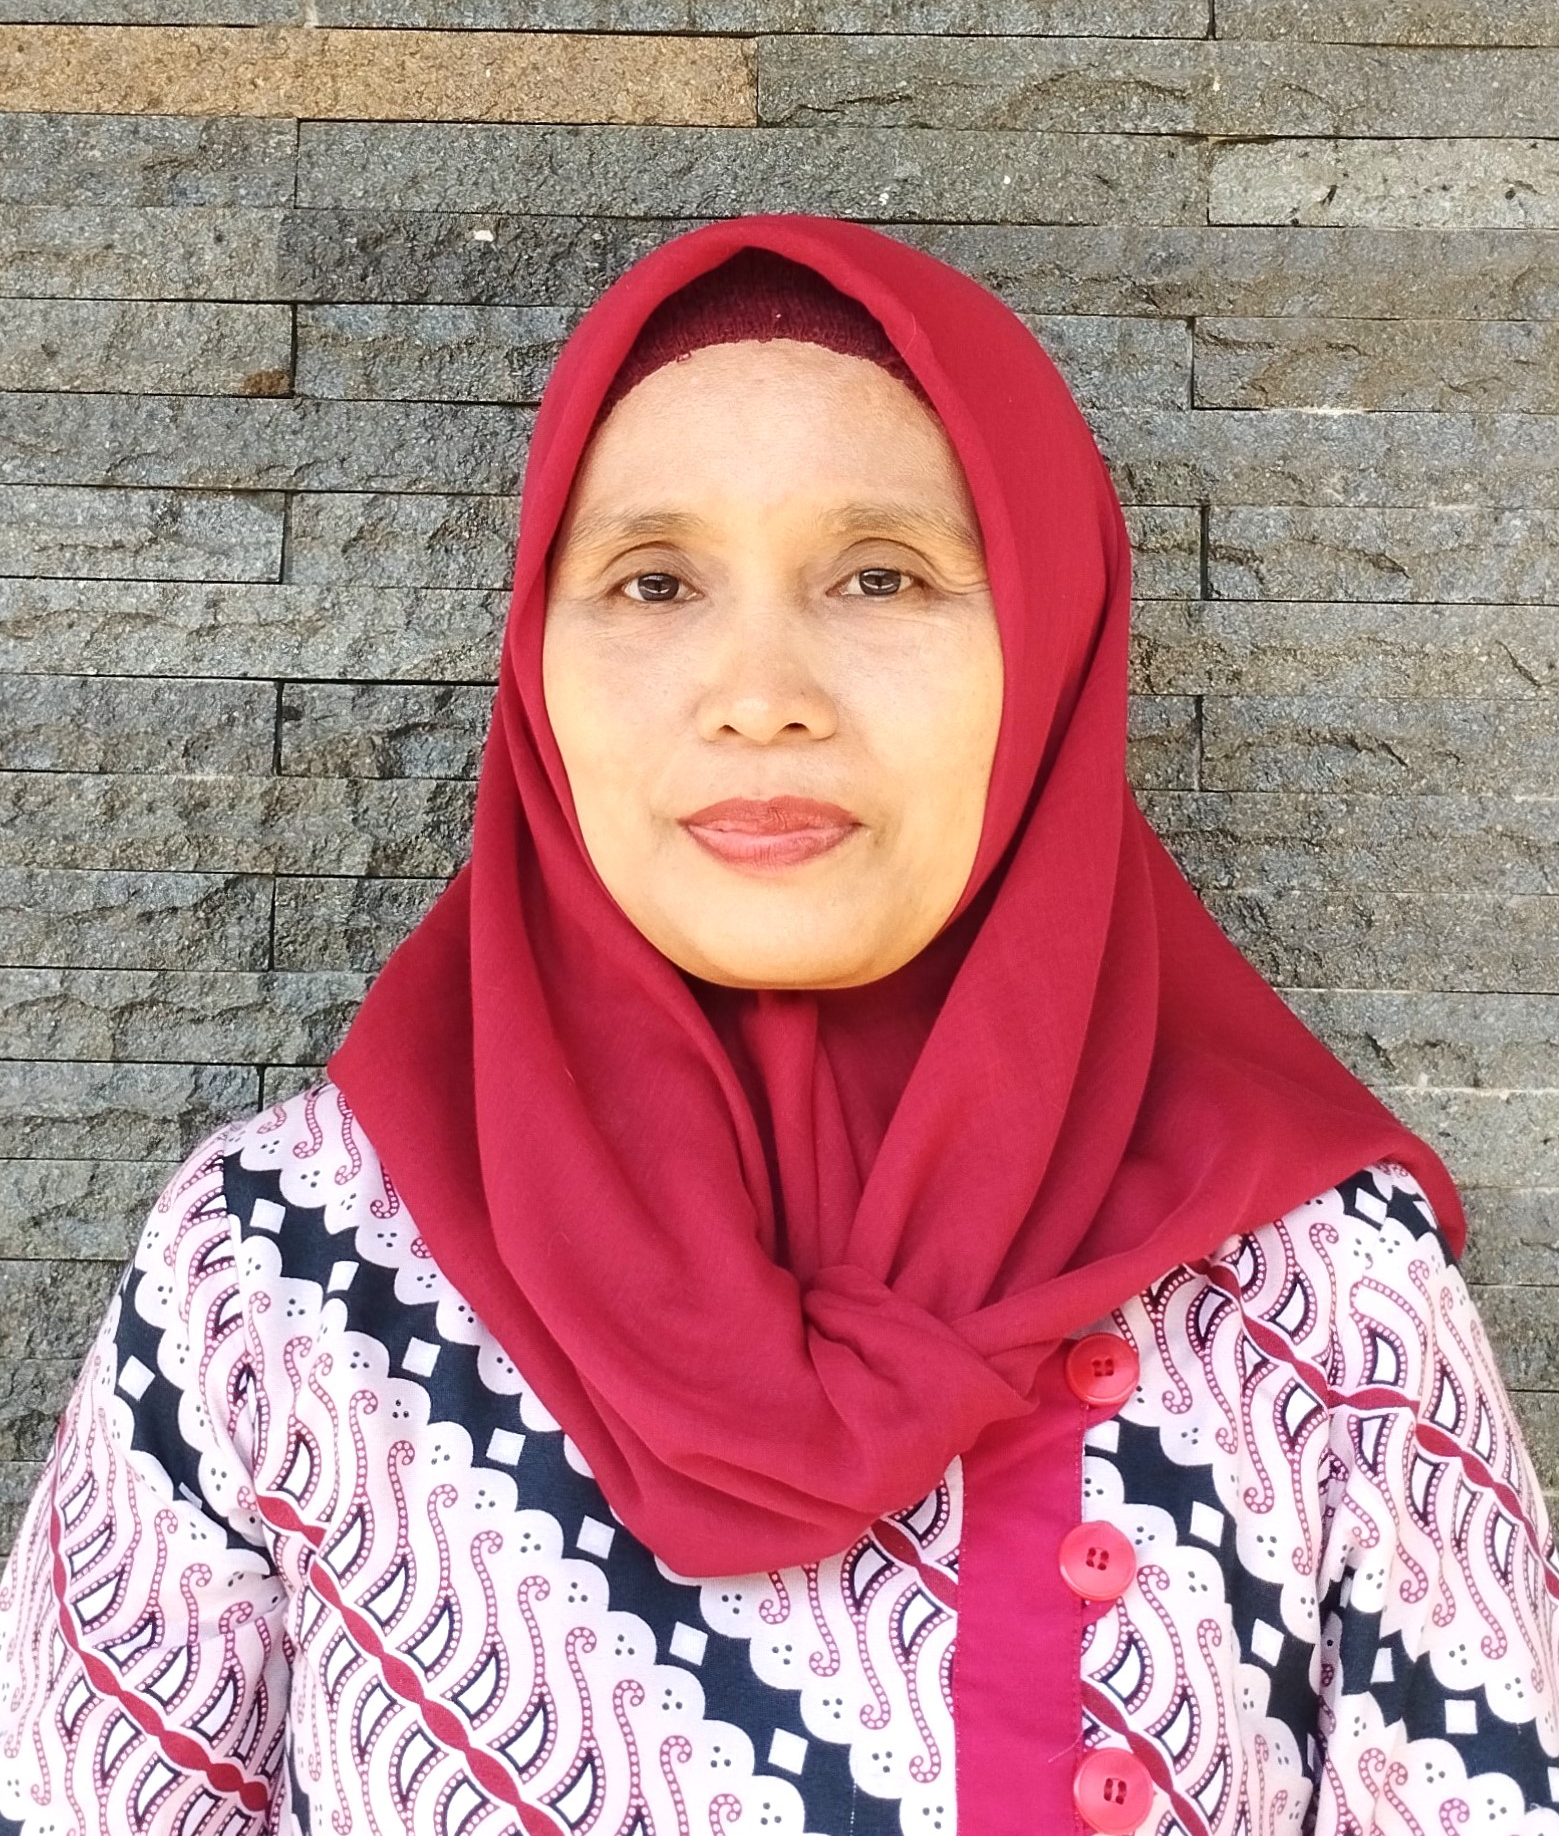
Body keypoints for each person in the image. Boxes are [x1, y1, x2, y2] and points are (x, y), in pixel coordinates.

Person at [2, 214, 1555, 1836]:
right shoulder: (272, 1270)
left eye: (881, 575)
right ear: (537, 659)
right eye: (653, 580)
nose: (760, 692)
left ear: (1051, 641)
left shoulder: (1323, 1292)